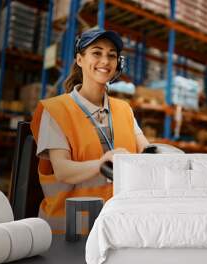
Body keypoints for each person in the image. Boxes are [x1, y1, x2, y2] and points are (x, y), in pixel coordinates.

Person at [30, 29, 150, 234]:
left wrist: (162, 156)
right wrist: (102, 163)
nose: (105, 60)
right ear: (79, 59)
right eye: (97, 53)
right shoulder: (57, 110)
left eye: (112, 55)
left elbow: (146, 149)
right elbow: (62, 169)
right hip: (70, 231)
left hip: (115, 228)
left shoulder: (124, 109)